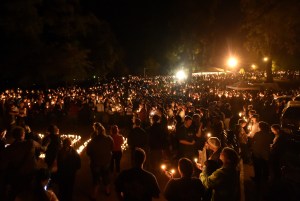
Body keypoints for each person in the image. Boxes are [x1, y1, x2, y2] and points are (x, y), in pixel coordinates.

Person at [0, 126, 44, 200]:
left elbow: (3, 165)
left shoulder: (9, 149)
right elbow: (42, 148)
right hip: (32, 175)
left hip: (18, 177)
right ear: (23, 134)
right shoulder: (30, 143)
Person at [86, 122, 114, 200]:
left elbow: (88, 152)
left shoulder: (92, 141)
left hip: (95, 162)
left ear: (96, 132)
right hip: (106, 161)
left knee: (96, 178)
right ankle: (107, 191)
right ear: (104, 131)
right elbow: (112, 148)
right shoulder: (109, 138)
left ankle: (94, 195)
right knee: (106, 175)